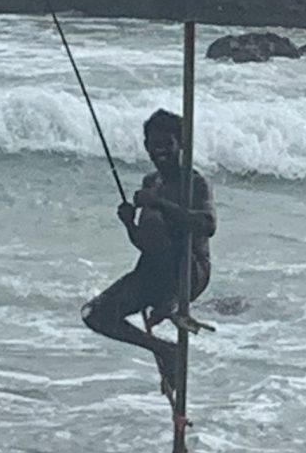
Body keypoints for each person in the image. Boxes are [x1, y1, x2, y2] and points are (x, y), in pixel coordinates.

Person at [82, 109, 216, 401]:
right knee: (95, 314)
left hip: (189, 271)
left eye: (167, 144)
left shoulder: (194, 183)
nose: (160, 152)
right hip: (154, 270)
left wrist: (160, 204)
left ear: (181, 144)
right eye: (153, 145)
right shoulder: (150, 182)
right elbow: (146, 243)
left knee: (155, 219)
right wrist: (129, 223)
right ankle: (164, 350)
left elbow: (208, 225)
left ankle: (168, 305)